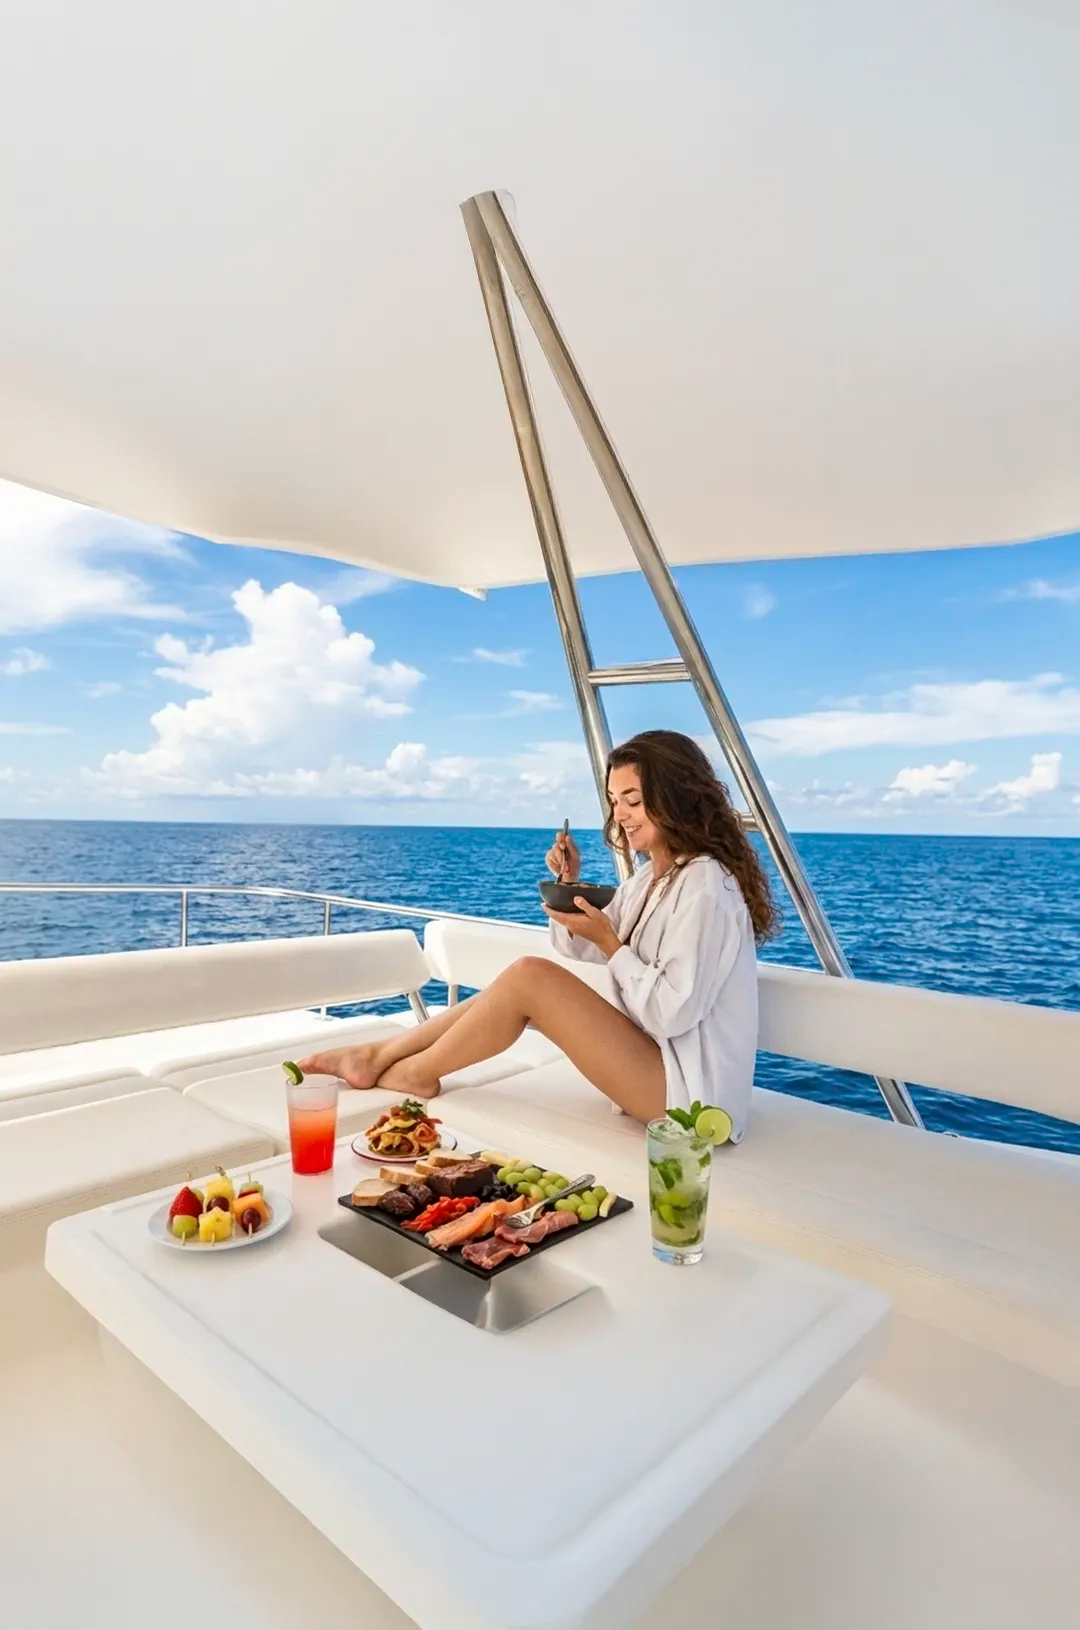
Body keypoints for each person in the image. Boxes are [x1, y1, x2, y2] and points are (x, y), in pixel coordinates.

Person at [298, 730, 777, 1132]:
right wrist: (570, 886)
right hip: (657, 1068)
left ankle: (413, 1071)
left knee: (530, 977)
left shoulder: (706, 885)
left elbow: (673, 1013)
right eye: (614, 801)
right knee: (520, 980)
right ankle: (379, 1054)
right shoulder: (653, 877)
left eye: (633, 800)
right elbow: (588, 947)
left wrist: (612, 944)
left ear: (676, 800)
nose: (621, 815)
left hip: (691, 1102)